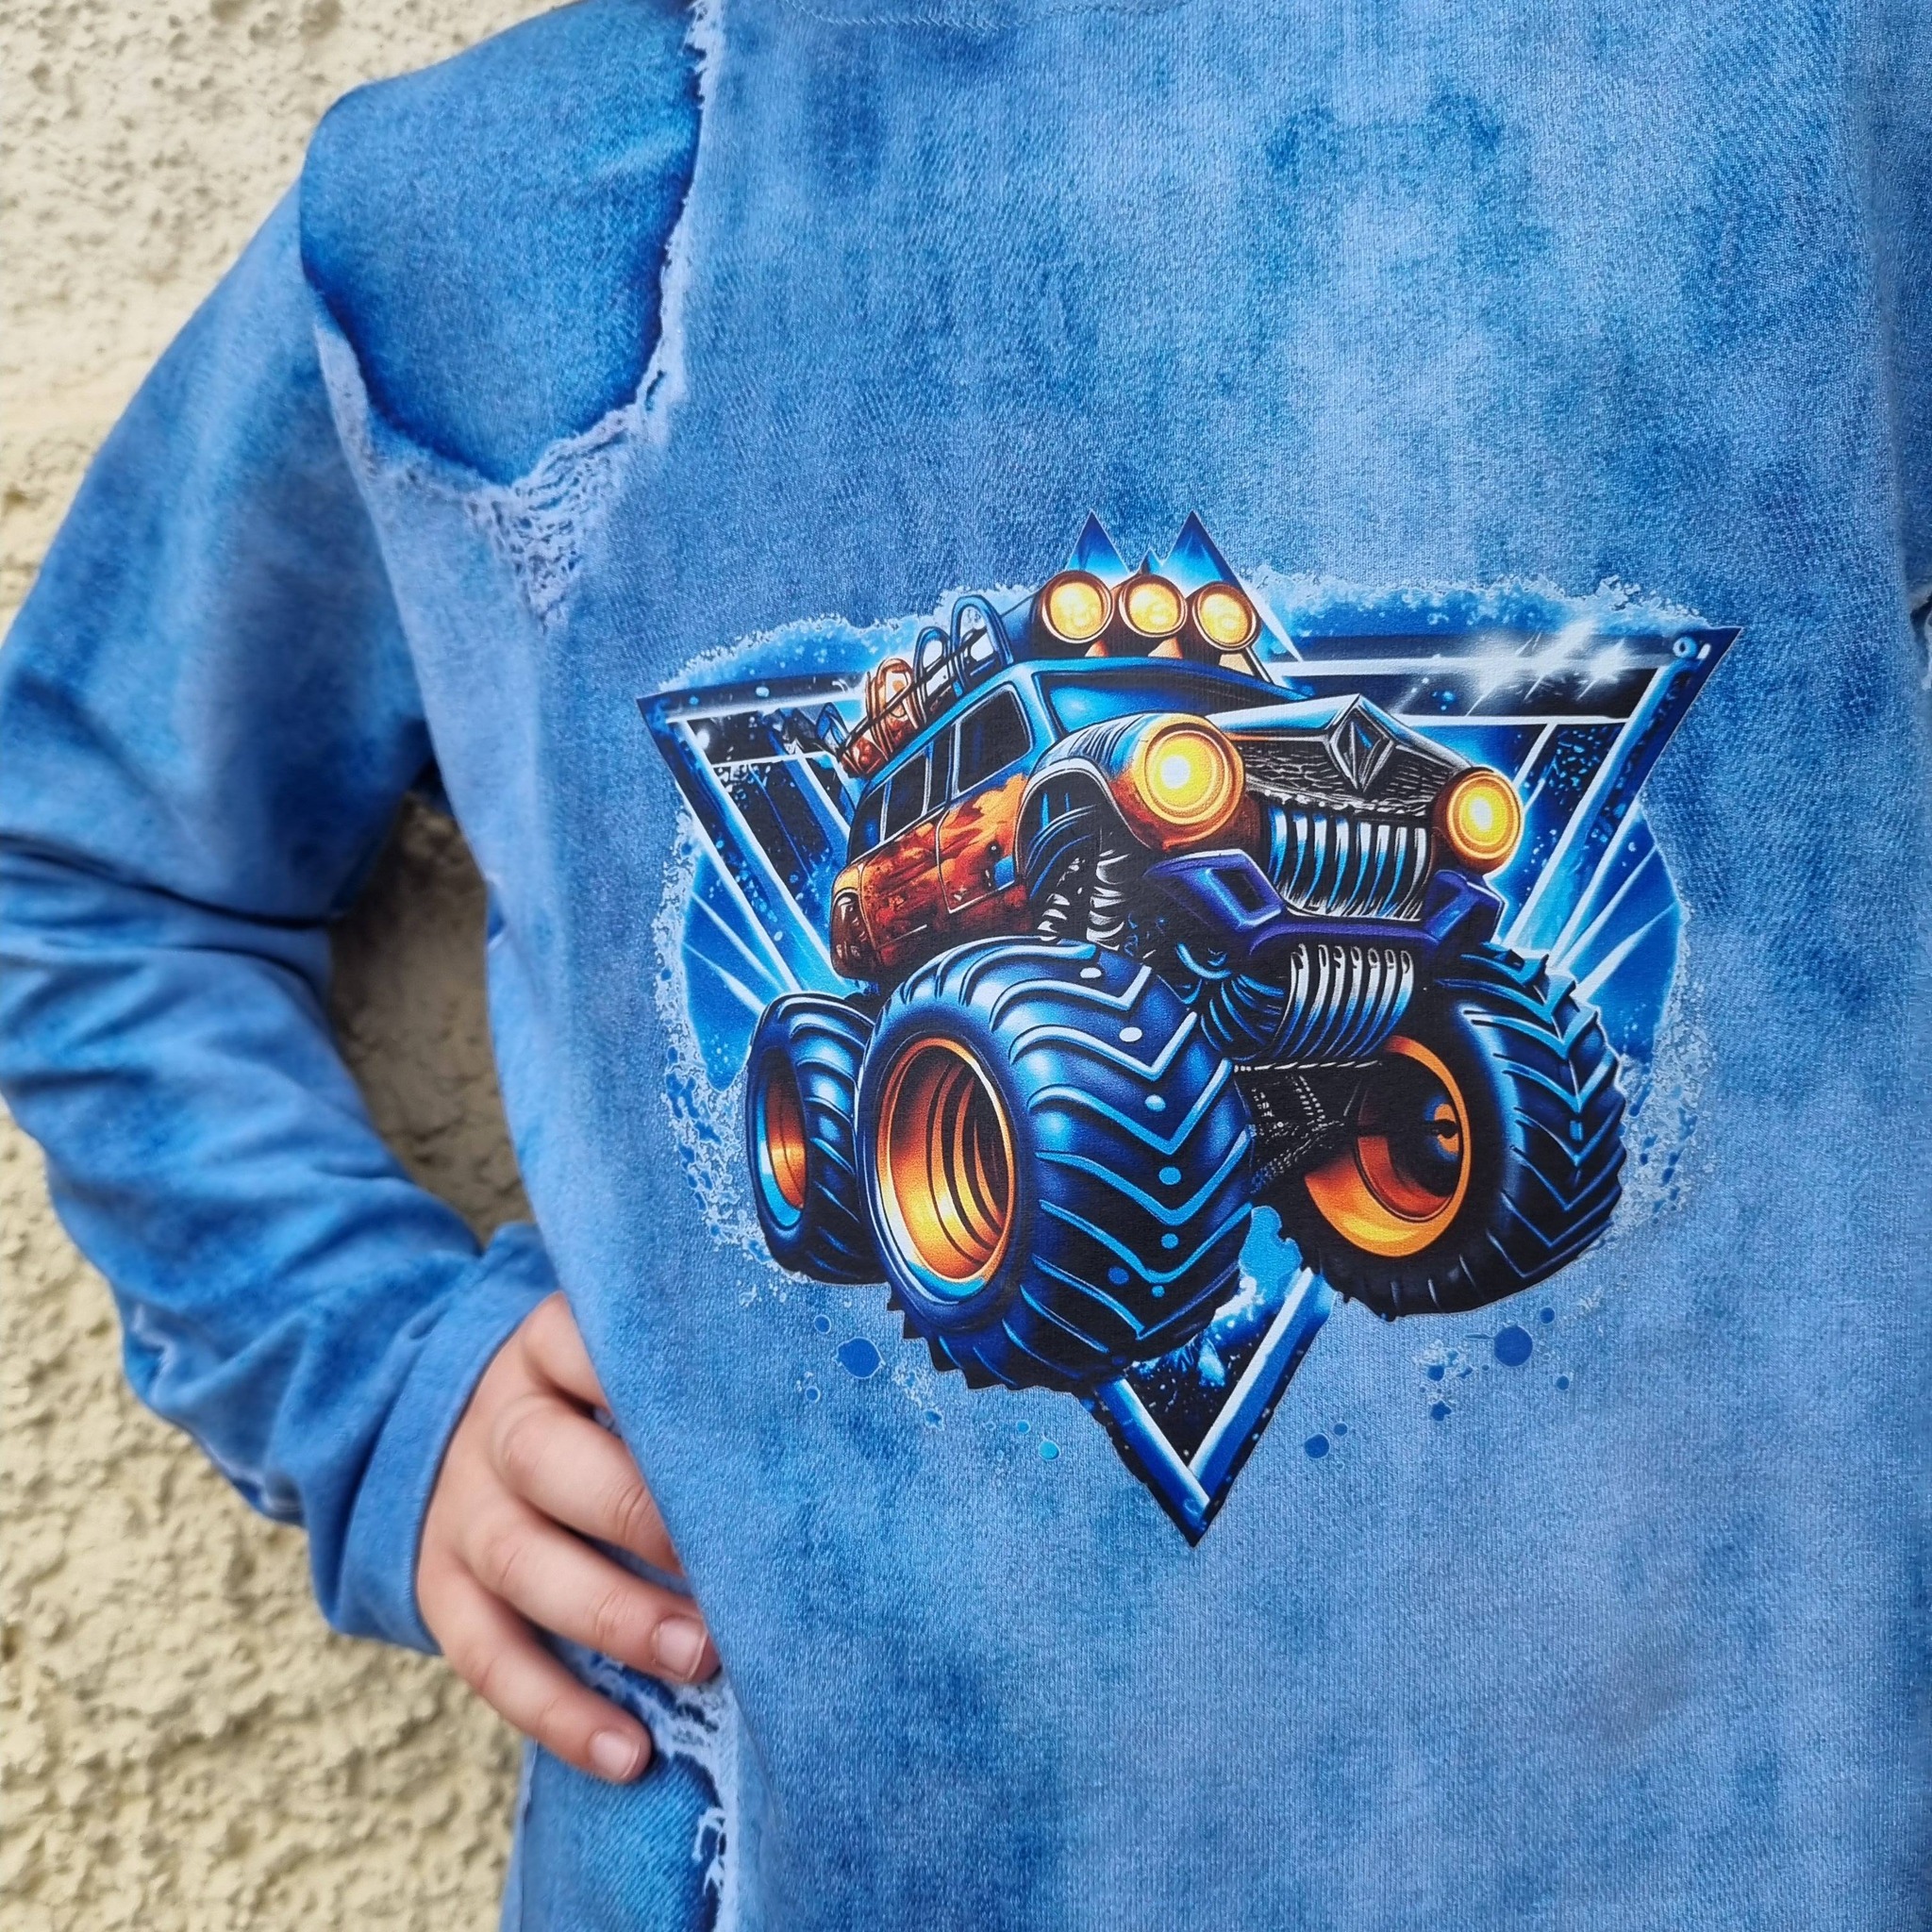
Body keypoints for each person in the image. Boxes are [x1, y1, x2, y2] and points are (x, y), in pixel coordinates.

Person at [2, 0, 1928, 1925]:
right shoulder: (494, 222)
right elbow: (80, 853)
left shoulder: (1816, 86)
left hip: (1754, 1830)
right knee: (1050, 1065)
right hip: (814, 1850)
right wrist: (381, 1378)